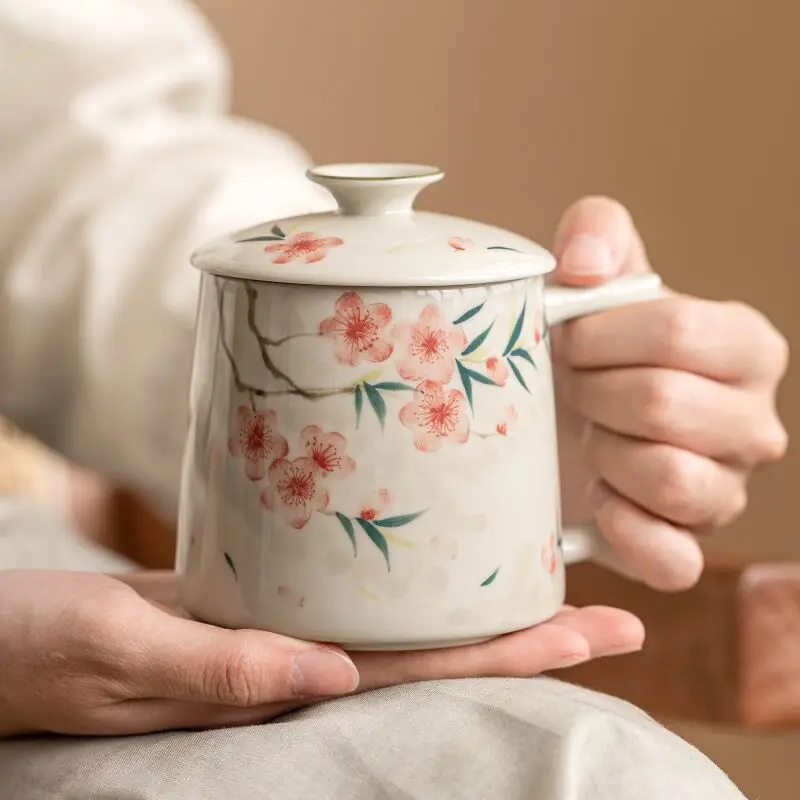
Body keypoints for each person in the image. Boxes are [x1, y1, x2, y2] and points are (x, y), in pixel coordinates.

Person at [0, 1, 788, 798]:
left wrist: (520, 422)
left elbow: (68, 167)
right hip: (39, 632)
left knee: (596, 771)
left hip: (55, 606)